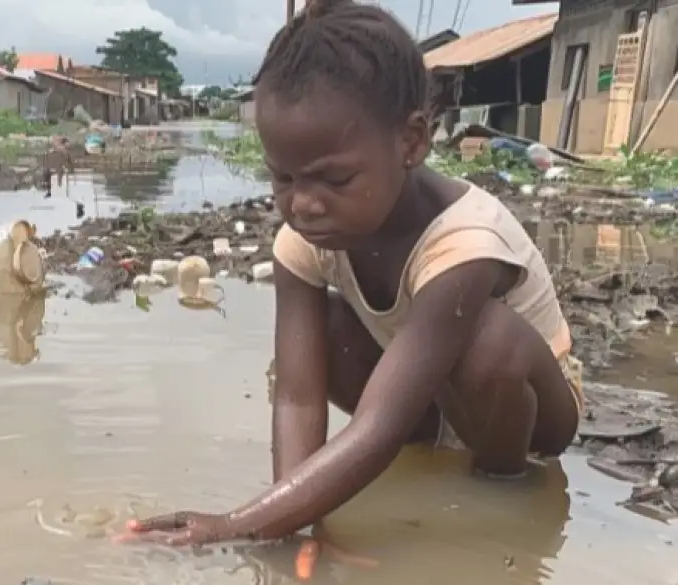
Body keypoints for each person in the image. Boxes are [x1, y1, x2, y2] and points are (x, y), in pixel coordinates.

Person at [121, 0, 583, 547]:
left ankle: (499, 490)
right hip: (425, 400)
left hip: (526, 421)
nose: (304, 204)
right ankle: (415, 458)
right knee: (324, 334)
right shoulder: (303, 243)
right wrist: (288, 527)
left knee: (488, 341)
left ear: (411, 142)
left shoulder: (467, 242)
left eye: (333, 180)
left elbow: (379, 424)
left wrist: (236, 525)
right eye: (284, 178)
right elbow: (297, 396)